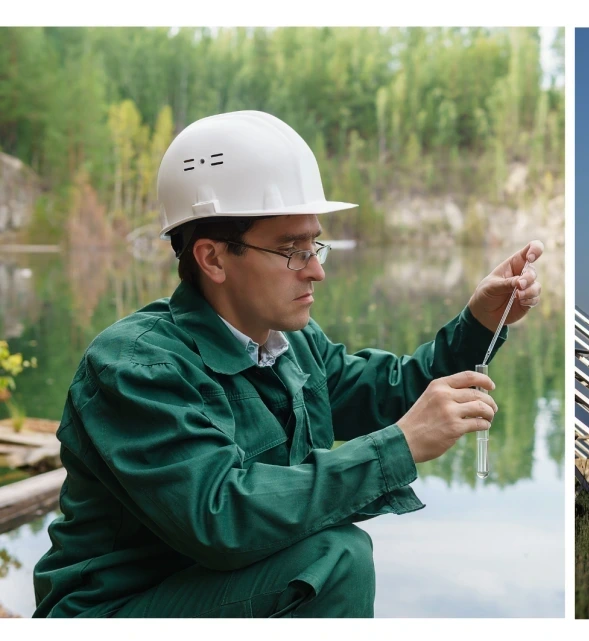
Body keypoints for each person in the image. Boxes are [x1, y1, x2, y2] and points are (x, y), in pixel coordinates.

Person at [32, 111, 544, 618]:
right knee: (333, 558)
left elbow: (395, 392)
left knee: (330, 551)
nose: (317, 270)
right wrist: (398, 448)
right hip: (117, 610)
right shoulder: (135, 366)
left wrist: (480, 319)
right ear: (213, 259)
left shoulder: (289, 343)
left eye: (314, 245)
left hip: (221, 590)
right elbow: (221, 516)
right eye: (292, 250)